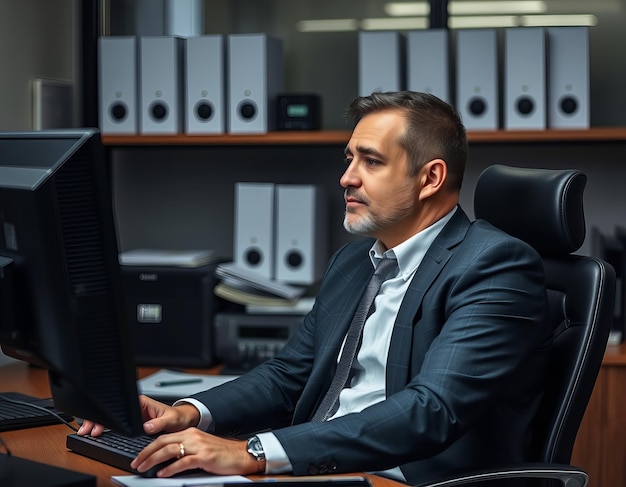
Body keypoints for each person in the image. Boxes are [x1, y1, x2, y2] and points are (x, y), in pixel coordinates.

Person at [79, 91, 552, 484]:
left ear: (430, 177)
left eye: (371, 161)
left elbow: (430, 410)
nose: (347, 177)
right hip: (315, 469)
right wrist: (188, 412)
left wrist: (252, 452)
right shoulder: (355, 259)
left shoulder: (494, 265)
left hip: (400, 478)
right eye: (350, 159)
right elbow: (290, 374)